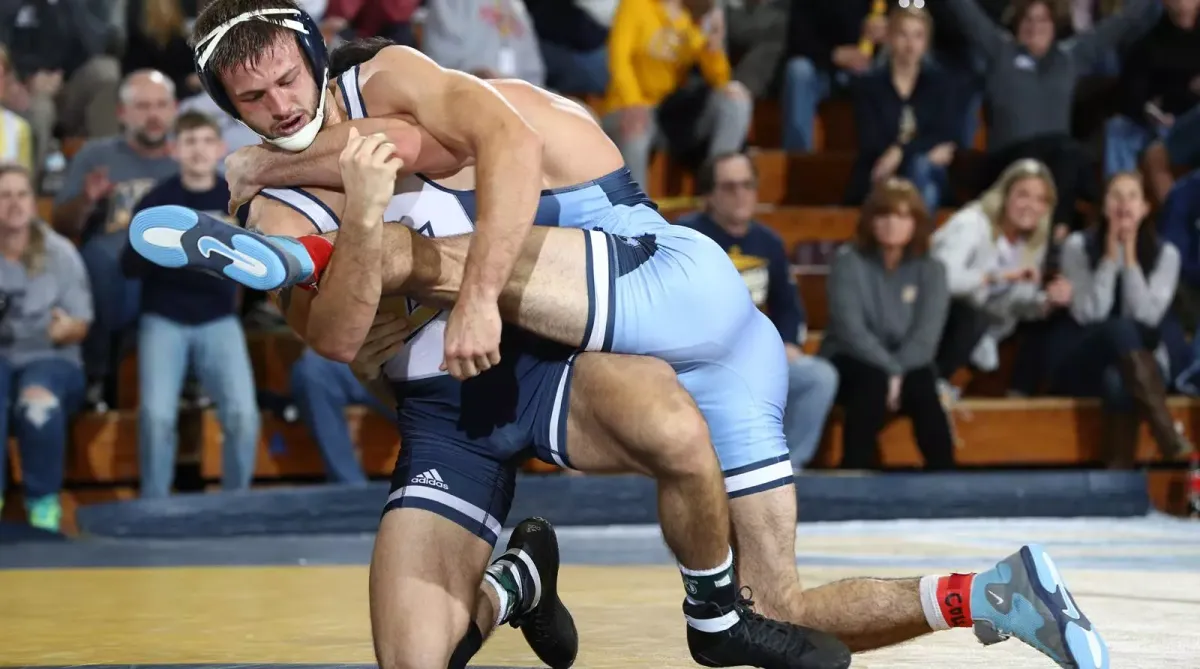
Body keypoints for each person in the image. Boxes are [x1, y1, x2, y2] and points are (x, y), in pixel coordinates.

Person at [129, 8, 1108, 669]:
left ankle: (708, 617)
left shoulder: (400, 92)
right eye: (254, 102)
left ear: (318, 57)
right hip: (496, 378)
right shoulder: (297, 179)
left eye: (289, 81)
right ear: (228, 105)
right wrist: (311, 212)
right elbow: (338, 339)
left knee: (411, 259)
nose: (282, 107)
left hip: (624, 287)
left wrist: (280, 178)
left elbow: (473, 143)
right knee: (774, 606)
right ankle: (990, 595)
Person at [121, 111, 260, 498]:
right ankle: (155, 504)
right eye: (189, 142)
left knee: (243, 415)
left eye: (205, 141)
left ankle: (237, 502)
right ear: (174, 149)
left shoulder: (235, 201)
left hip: (220, 318)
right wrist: (159, 243)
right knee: (156, 416)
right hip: (164, 318)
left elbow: (261, 267)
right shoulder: (157, 201)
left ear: (220, 148)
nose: (198, 150)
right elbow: (127, 266)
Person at [677, 151, 838, 471]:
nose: (741, 194)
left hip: (756, 357)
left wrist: (788, 343)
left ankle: (784, 469)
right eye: (729, 187)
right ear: (709, 195)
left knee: (818, 377)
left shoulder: (769, 242)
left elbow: (788, 306)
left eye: (747, 185)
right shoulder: (686, 238)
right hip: (701, 357)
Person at [1048, 172, 1193, 467]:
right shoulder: (1078, 246)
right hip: (1086, 357)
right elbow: (1090, 314)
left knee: (1117, 381)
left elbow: (1146, 317)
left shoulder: (1166, 254)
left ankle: (1117, 478)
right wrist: (1110, 258)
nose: (1124, 204)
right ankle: (1166, 432)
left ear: (1145, 208)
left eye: (1132, 197)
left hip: (1144, 365)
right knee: (1118, 328)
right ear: (1104, 206)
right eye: (1116, 196)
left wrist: (1130, 260)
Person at [820, 178, 956, 470]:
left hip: (908, 363)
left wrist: (897, 371)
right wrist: (891, 370)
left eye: (903, 216)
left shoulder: (932, 269)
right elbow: (850, 331)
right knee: (871, 382)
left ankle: (945, 475)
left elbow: (926, 338)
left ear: (916, 223)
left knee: (923, 384)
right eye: (884, 215)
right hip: (852, 359)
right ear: (870, 220)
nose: (893, 224)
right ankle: (854, 470)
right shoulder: (848, 262)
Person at [0, 164, 91, 531]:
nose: (14, 203)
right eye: (5, 195)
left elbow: (81, 324)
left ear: (34, 201)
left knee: (37, 401)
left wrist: (65, 328)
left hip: (52, 357)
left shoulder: (60, 253)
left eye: (21, 194)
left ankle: (42, 504)